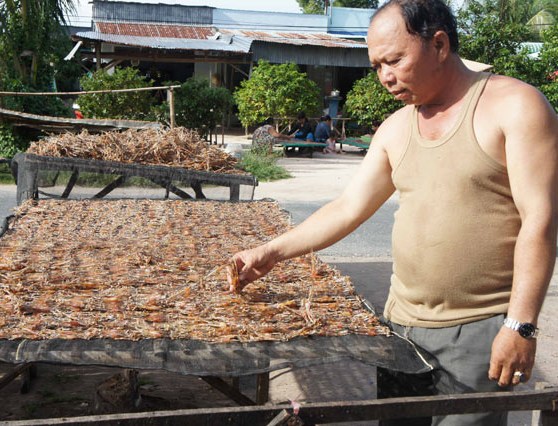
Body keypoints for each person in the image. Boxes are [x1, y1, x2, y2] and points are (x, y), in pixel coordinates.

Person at [230, 1, 558, 425]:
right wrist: (271, 252)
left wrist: (520, 326)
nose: (385, 77)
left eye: (395, 60)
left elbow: (541, 220)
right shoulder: (396, 127)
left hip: (479, 331)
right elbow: (348, 208)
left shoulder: (515, 106)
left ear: (439, 44)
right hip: (401, 328)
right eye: (376, 66)